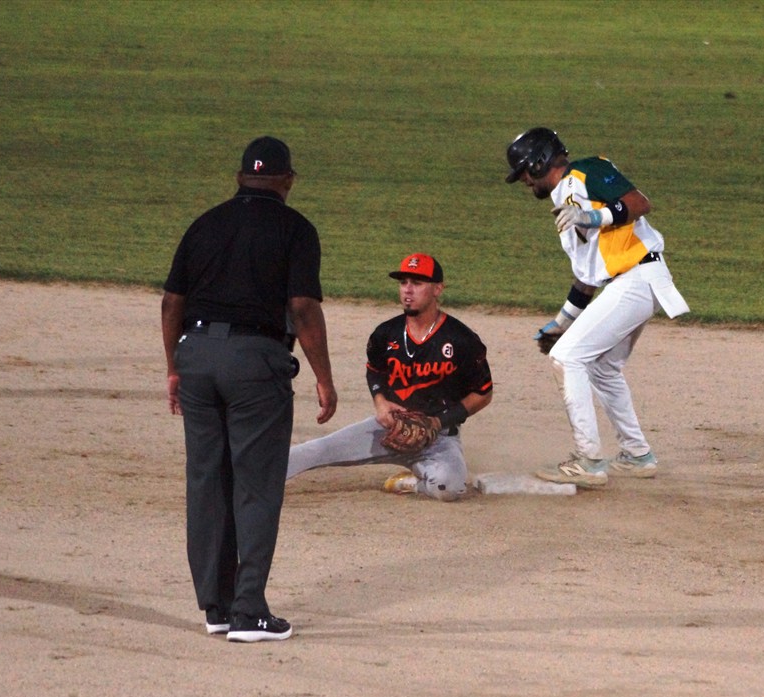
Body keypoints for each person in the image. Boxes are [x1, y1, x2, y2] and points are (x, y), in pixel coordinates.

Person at [161, 136, 337, 643]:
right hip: (255, 363)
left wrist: (174, 368)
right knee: (256, 484)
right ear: (288, 180)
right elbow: (302, 307)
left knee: (207, 482)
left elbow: (172, 302)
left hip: (196, 357)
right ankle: (249, 611)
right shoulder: (295, 228)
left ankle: (216, 606)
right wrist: (324, 376)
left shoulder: (204, 223)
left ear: (240, 177)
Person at [504, 127, 689, 488]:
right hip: (629, 283)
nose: (524, 180)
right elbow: (587, 277)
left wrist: (594, 218)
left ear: (539, 162)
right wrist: (560, 323)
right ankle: (637, 455)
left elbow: (639, 202)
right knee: (602, 368)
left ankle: (587, 461)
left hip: (638, 278)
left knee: (567, 358)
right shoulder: (564, 202)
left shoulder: (586, 170)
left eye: (524, 171)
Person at [286, 253, 493, 501]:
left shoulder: (462, 339)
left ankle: (410, 482)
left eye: (417, 283)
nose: (408, 290)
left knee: (448, 488)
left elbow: (483, 393)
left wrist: (438, 422)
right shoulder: (385, 334)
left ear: (437, 289)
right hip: (386, 429)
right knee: (316, 450)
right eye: (403, 282)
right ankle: (252, 480)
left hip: (438, 440)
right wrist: (381, 402)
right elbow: (375, 370)